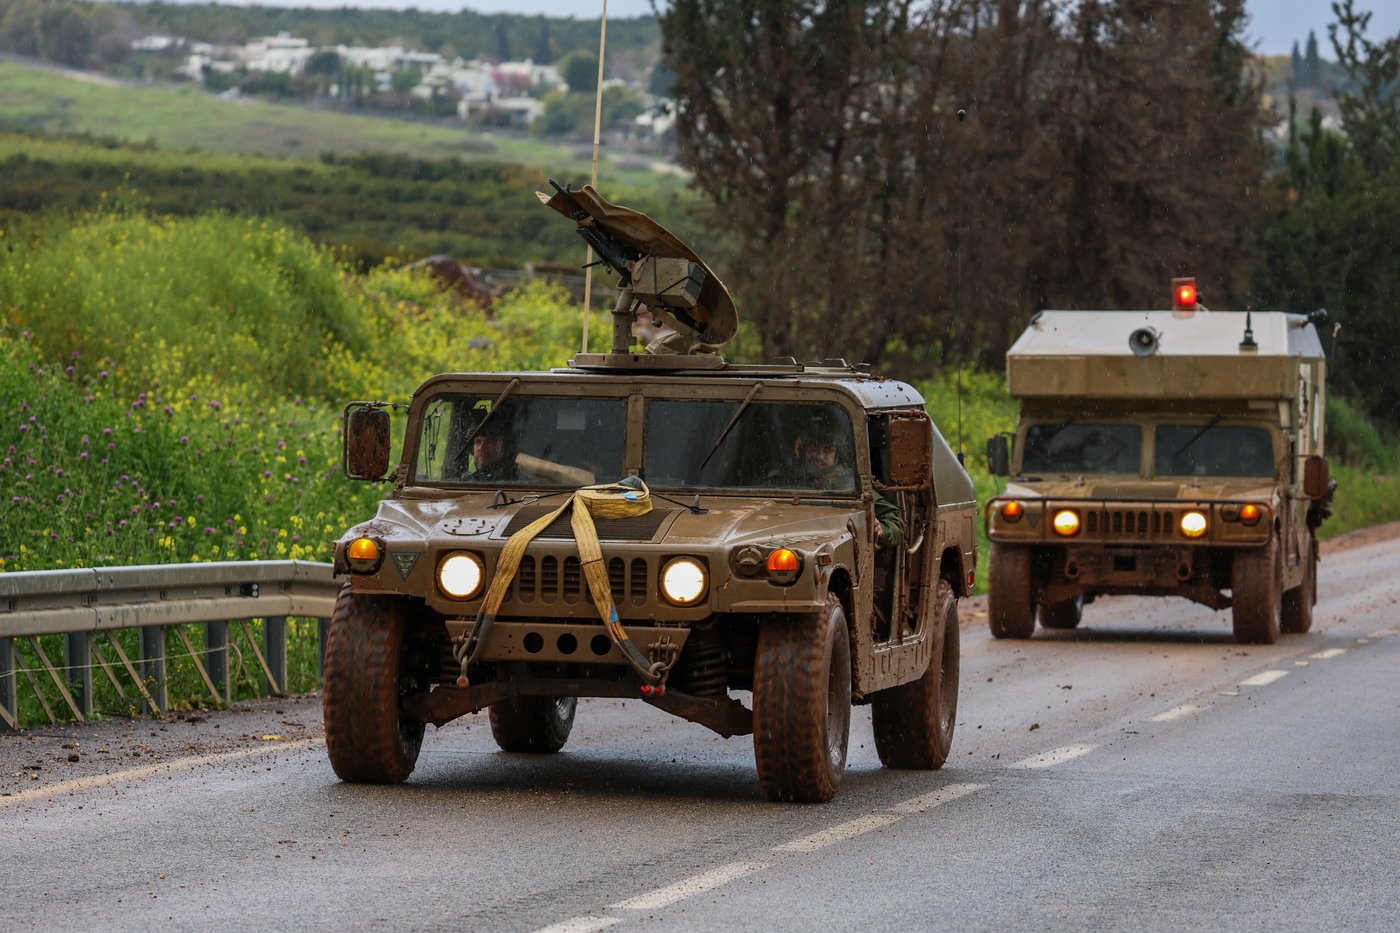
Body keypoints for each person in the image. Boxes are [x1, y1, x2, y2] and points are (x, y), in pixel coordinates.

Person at [790, 418, 903, 550]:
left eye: (827, 449)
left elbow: (896, 524)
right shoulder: (782, 480)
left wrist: (880, 529)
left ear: (837, 454)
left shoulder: (850, 485)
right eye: (813, 447)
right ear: (802, 449)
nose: (819, 455)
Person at [466, 417, 519, 482]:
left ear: (503, 448)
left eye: (489, 442)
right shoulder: (466, 482)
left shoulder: (517, 481)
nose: (481, 448)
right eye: (478, 442)